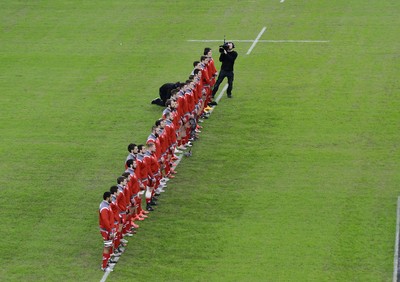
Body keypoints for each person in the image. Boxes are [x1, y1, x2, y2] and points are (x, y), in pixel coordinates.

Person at [99, 191, 115, 272]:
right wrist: (110, 231)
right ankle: (104, 266)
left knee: (109, 246)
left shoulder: (106, 205)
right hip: (106, 230)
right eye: (111, 197)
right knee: (107, 247)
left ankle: (107, 263)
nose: (112, 199)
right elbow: (105, 221)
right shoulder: (104, 208)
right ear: (107, 198)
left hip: (108, 230)